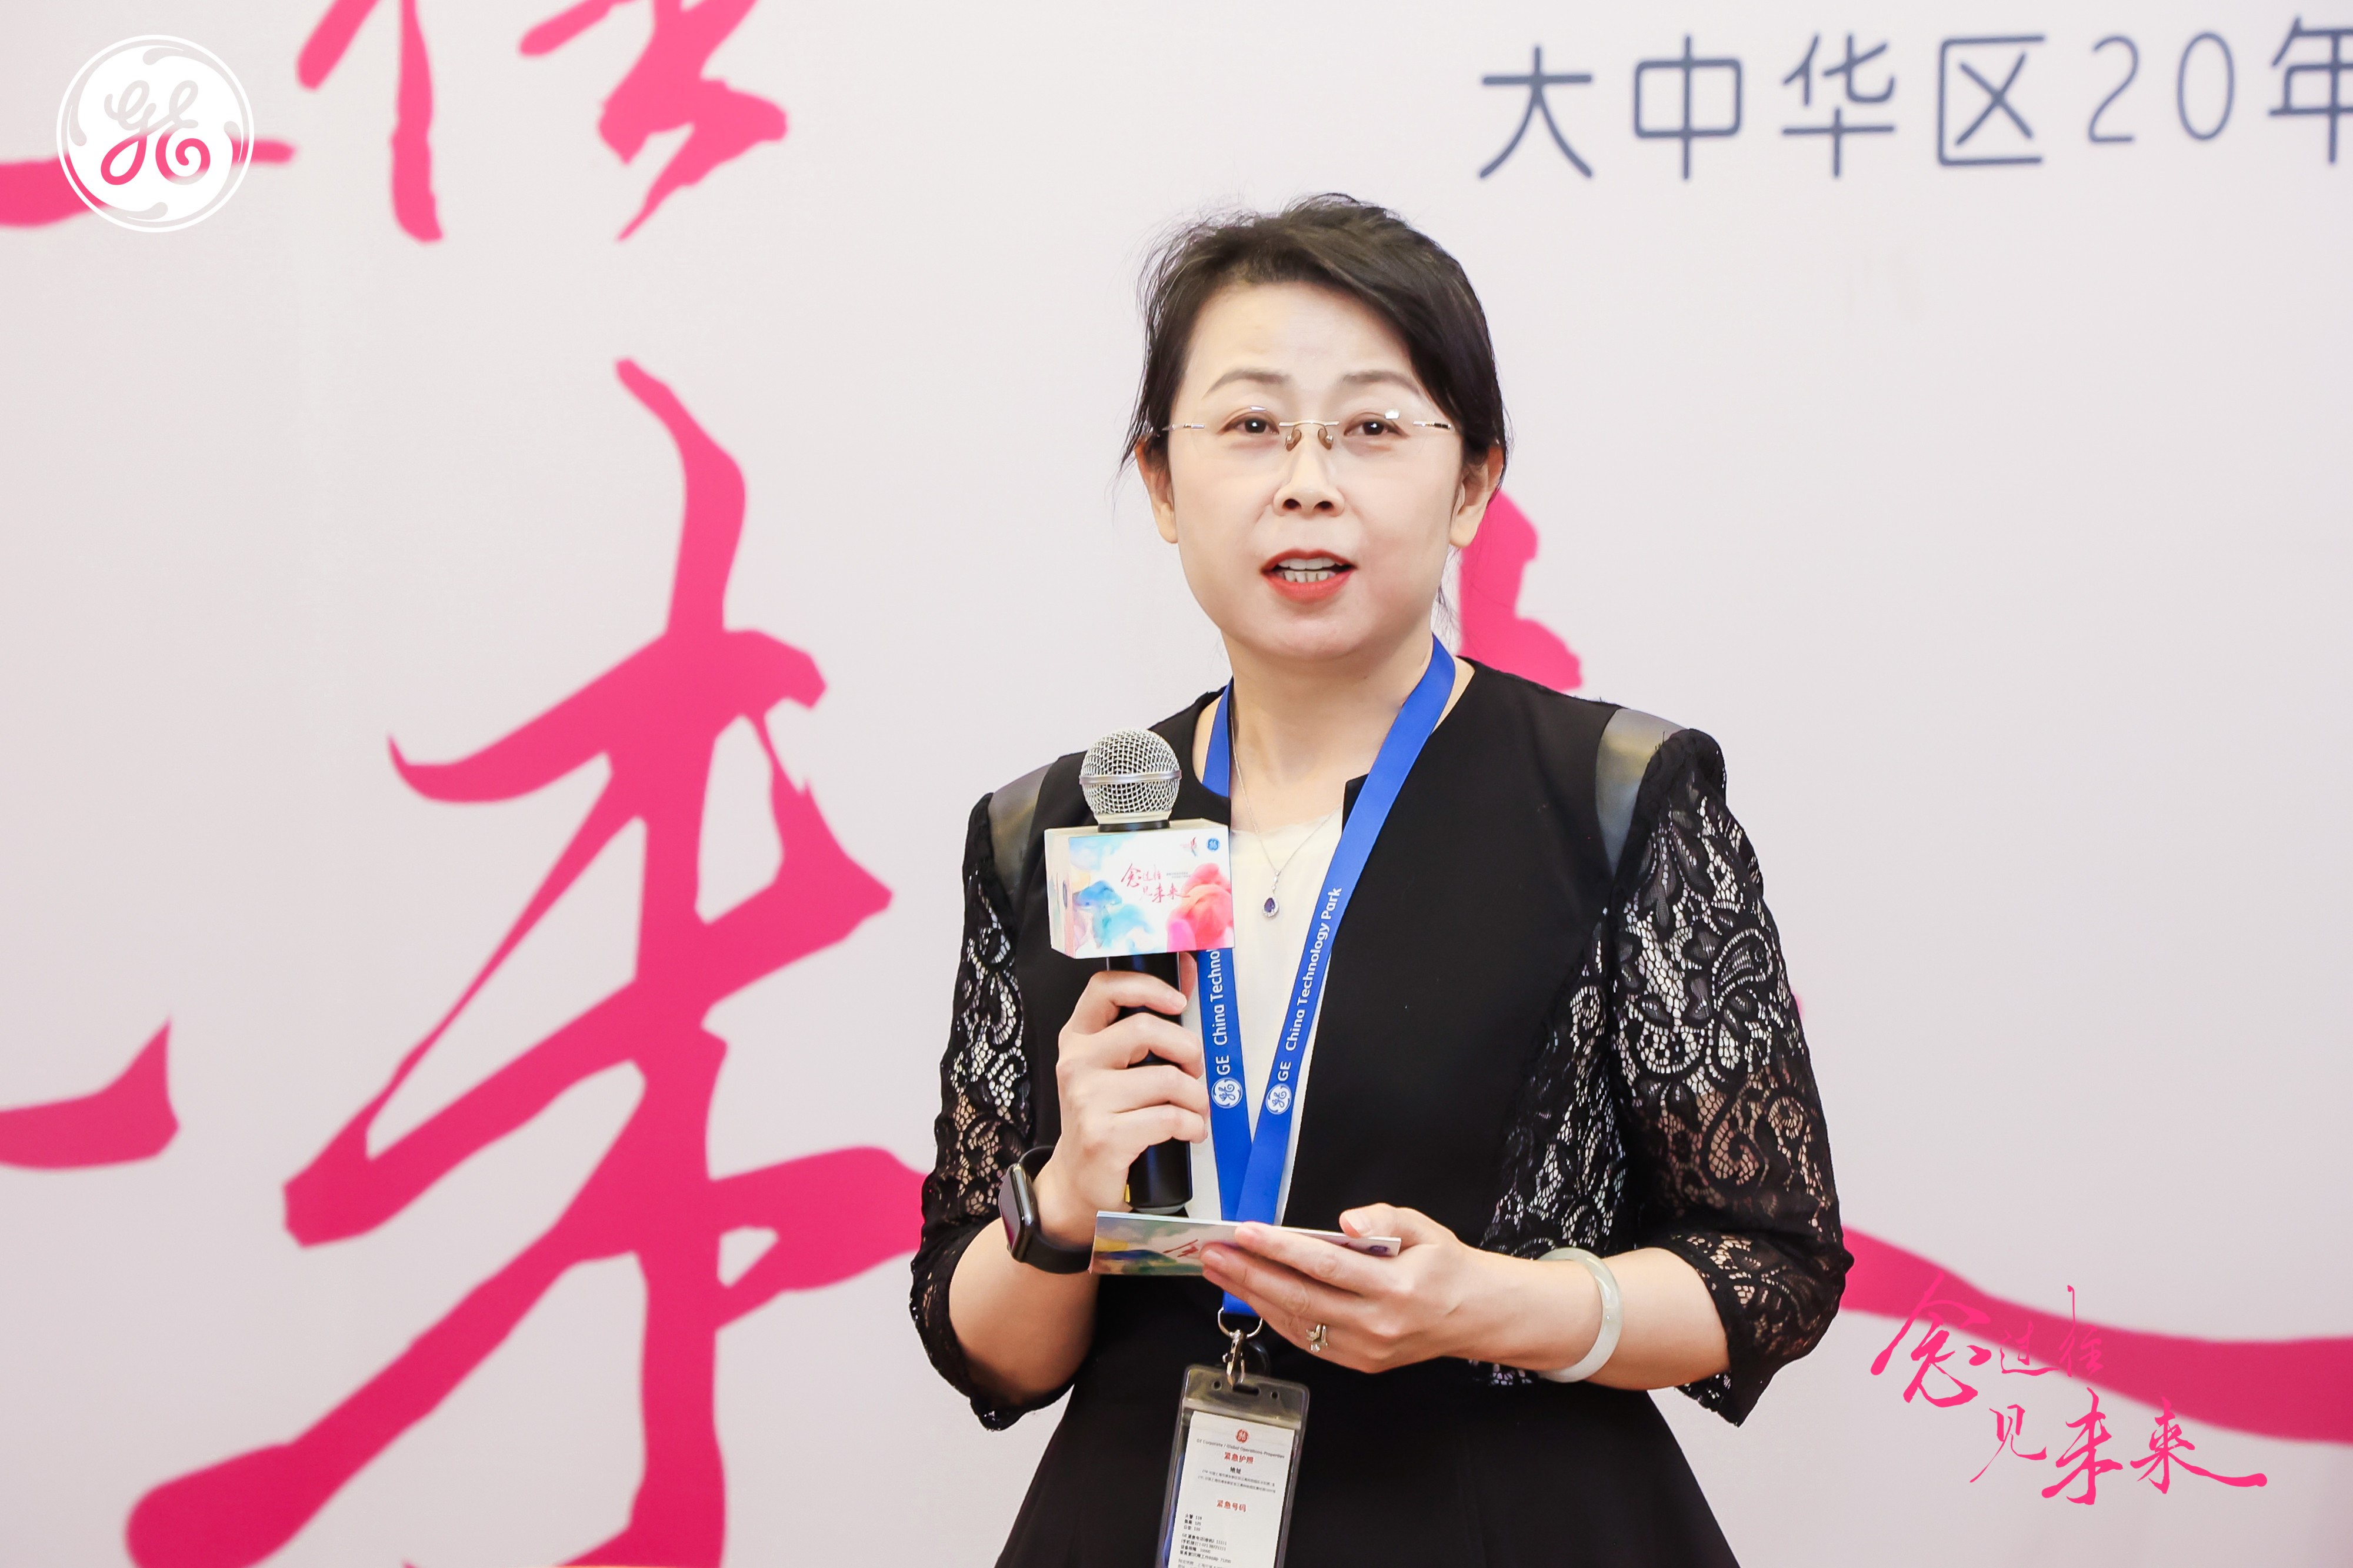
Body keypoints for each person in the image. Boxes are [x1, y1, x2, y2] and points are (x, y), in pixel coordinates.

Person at [911, 195, 1847, 1566]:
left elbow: (1770, 1265)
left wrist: (1487, 1306)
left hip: (1503, 1515)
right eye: (1247, 427)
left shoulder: (1610, 796)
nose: (1305, 480)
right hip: (1142, 1513)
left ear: (1469, 479)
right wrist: (1059, 1202)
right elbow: (985, 1352)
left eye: (1368, 426)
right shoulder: (1057, 826)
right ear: (1162, 485)